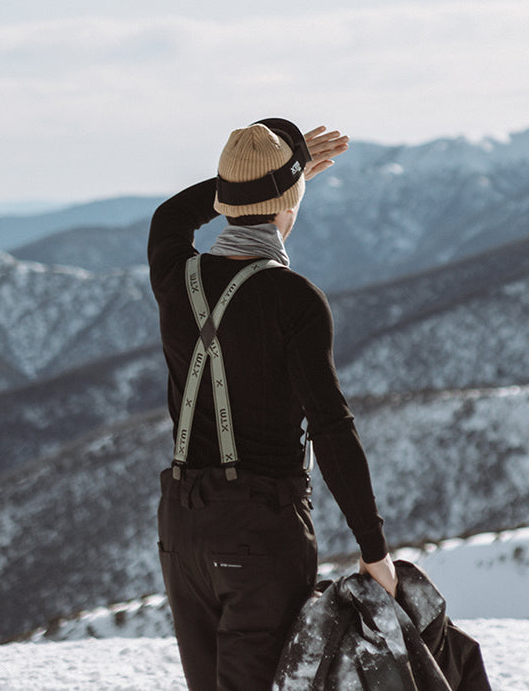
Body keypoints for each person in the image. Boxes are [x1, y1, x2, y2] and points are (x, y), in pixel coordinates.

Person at [148, 118, 397, 691]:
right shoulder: (294, 299)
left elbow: (171, 216)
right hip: (261, 532)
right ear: (291, 201)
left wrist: (250, 184)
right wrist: (373, 548)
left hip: (183, 527)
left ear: (226, 201)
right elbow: (331, 427)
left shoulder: (176, 276)